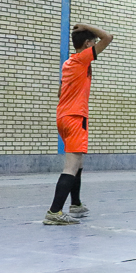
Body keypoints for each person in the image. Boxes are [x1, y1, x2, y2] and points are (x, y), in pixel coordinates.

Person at [45, 23, 113, 225]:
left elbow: (60, 92)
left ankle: (75, 203)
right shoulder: (83, 59)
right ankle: (54, 212)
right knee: (72, 164)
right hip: (75, 117)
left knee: (78, 162)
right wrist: (85, 26)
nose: (96, 44)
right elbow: (108, 37)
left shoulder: (68, 63)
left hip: (63, 116)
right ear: (87, 44)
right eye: (93, 42)